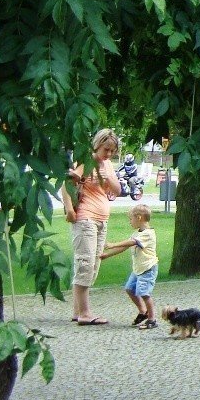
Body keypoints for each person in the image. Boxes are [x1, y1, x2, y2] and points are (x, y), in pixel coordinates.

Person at [61, 128, 121, 325]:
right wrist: (70, 210)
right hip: (86, 219)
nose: (109, 154)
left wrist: (107, 174)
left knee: (93, 264)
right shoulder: (85, 161)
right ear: (97, 144)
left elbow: (117, 190)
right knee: (85, 264)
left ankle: (77, 310)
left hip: (101, 220)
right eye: (106, 149)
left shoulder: (107, 165)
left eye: (112, 150)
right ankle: (85, 314)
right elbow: (67, 184)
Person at [100, 203, 159, 329]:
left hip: (147, 268)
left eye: (130, 219)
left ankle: (152, 319)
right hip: (138, 269)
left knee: (144, 293)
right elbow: (125, 247)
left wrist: (112, 244)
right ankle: (143, 312)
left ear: (139, 218)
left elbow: (132, 242)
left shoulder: (148, 234)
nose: (129, 222)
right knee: (130, 289)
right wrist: (107, 255)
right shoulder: (137, 233)